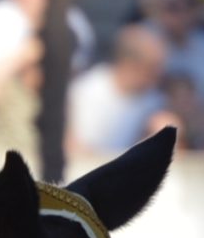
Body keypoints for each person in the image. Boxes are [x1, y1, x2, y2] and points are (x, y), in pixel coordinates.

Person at [67, 23, 170, 163]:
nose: (160, 74)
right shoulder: (85, 91)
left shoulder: (156, 100)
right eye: (153, 66)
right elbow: (71, 146)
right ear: (130, 64)